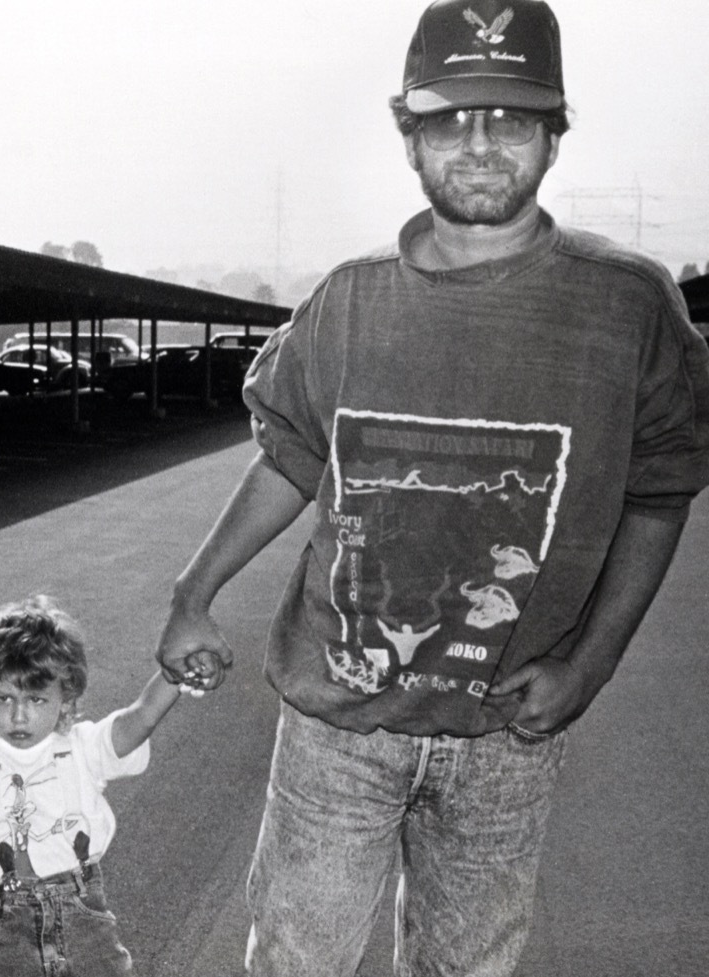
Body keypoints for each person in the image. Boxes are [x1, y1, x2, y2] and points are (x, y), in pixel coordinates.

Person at [156, 2, 709, 975]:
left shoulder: (630, 307)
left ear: (554, 134)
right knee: (295, 962)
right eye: (451, 119)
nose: (481, 143)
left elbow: (659, 493)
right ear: (409, 137)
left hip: (505, 734)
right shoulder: (349, 300)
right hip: (337, 720)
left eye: (512, 117)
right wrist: (191, 594)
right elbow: (288, 457)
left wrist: (591, 666)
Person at [0, 595, 208, 977]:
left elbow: (139, 718)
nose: (19, 715)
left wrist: (174, 675)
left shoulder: (82, 748)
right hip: (5, 930)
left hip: (84, 919)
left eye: (37, 699)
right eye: (4, 698)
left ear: (66, 700)